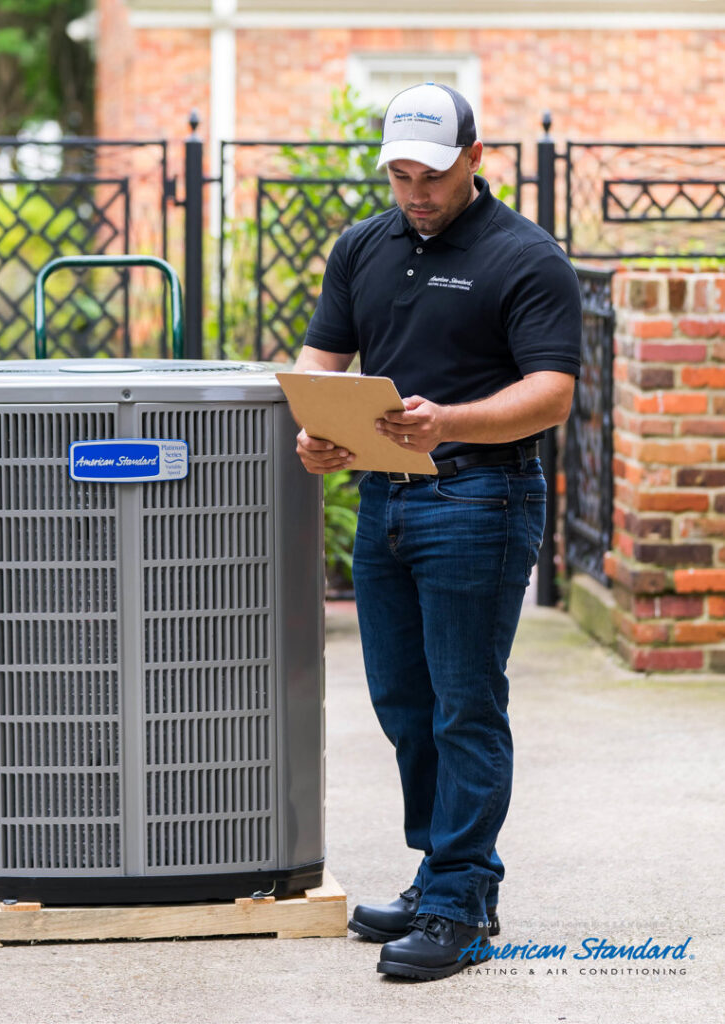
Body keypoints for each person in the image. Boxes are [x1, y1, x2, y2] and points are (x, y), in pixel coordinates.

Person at [293, 82, 582, 982]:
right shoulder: (363, 247)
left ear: (475, 158)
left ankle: (462, 900)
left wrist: (448, 421)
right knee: (403, 705)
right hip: (386, 499)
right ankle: (440, 872)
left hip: (481, 501)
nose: (415, 190)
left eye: (432, 172)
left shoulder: (525, 258)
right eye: (400, 174)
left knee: (464, 705)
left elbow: (553, 393)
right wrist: (318, 424)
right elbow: (321, 358)